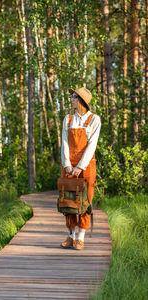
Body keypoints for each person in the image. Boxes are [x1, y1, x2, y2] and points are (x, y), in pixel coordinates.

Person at [60, 87, 101, 250]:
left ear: (82, 100)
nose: (71, 98)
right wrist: (67, 164)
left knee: (85, 201)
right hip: (69, 166)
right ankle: (70, 236)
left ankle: (81, 238)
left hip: (86, 167)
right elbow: (64, 142)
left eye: (74, 96)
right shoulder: (68, 119)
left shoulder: (94, 119)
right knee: (68, 201)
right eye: (72, 96)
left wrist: (80, 166)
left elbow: (92, 145)